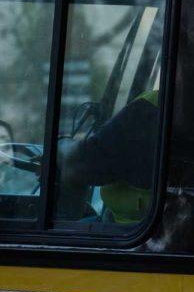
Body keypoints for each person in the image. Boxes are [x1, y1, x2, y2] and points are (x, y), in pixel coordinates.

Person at [56, 89, 159, 224]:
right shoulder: (184, 108)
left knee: (56, 234)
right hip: (163, 224)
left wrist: (60, 146)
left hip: (134, 230)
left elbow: (81, 166)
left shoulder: (152, 106)